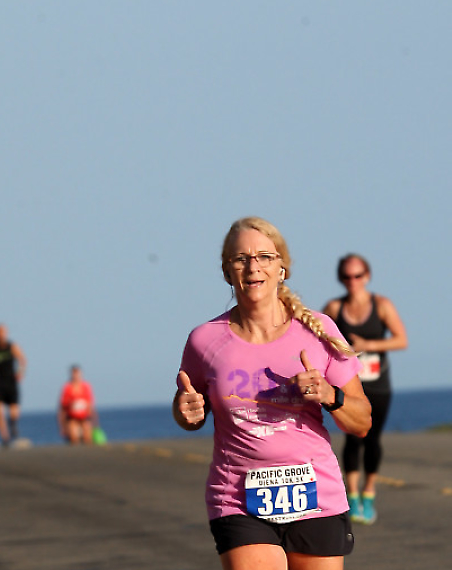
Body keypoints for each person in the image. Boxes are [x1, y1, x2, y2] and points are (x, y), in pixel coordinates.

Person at [173, 217, 372, 570]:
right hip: (238, 499)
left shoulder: (319, 332)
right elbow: (190, 412)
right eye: (241, 259)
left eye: (264, 256)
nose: (253, 267)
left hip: (316, 496)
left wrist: (330, 395)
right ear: (227, 271)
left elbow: (362, 422)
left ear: (282, 268)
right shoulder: (204, 340)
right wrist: (184, 411)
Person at [323, 253, 407, 525]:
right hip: (349, 384)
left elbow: (401, 340)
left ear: (367, 276)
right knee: (352, 437)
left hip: (378, 384)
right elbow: (318, 338)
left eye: (358, 275)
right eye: (347, 276)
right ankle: (352, 495)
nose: (353, 281)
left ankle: (368, 493)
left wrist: (368, 346)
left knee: (372, 439)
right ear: (341, 278)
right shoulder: (334, 308)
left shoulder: (381, 305)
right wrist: (342, 351)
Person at [0, 323, 26, 447]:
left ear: (6, 334)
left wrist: (20, 372)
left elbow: (22, 360)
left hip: (11, 380)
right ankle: (5, 437)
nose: (1, 335)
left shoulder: (12, 346)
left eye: (3, 332)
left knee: (14, 410)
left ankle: (13, 425)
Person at [58, 365, 97, 445]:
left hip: (85, 418)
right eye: (74, 374)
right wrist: (62, 426)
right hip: (72, 418)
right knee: (74, 438)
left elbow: (91, 406)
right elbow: (62, 408)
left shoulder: (86, 387)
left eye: (77, 374)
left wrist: (94, 423)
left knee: (87, 437)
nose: (76, 376)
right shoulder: (67, 388)